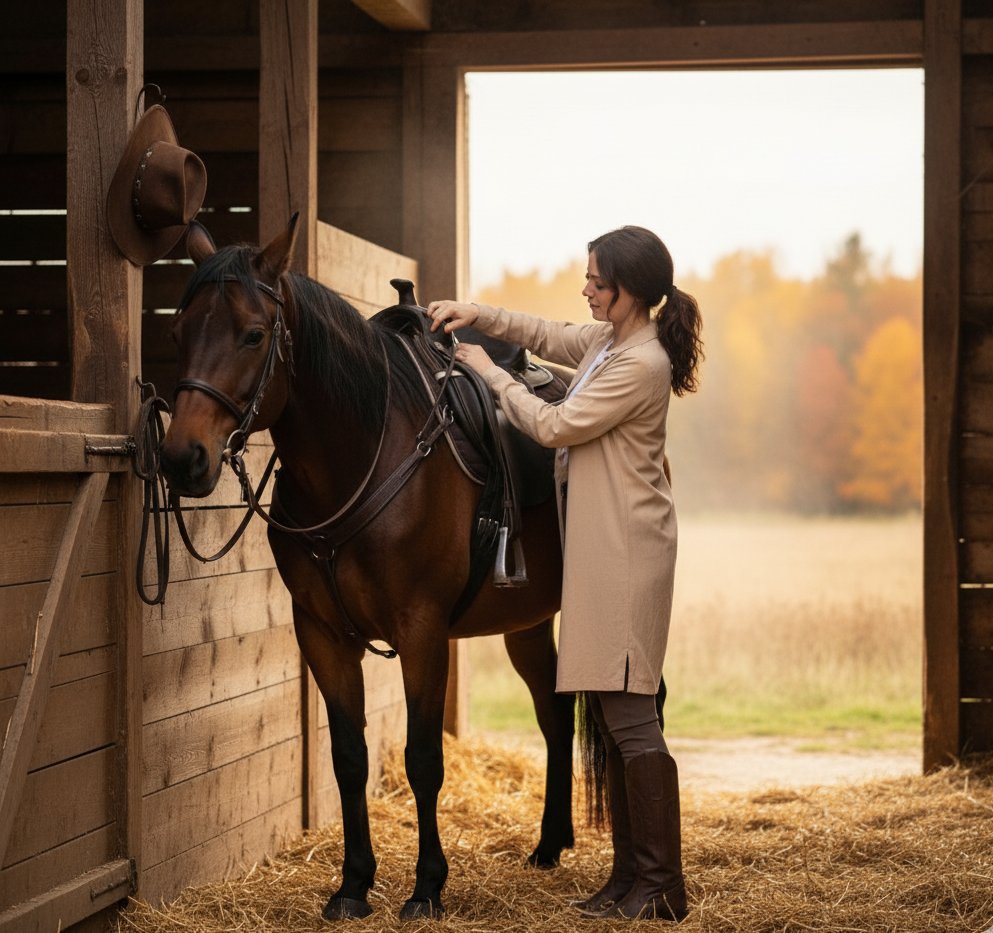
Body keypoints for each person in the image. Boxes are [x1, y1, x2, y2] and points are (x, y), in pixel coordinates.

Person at [428, 225, 702, 923]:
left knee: (633, 720)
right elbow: (545, 334)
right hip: (604, 547)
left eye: (595, 280)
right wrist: (478, 314)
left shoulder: (638, 363)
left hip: (626, 553)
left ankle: (662, 885)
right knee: (612, 720)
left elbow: (555, 425)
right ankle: (627, 879)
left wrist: (486, 372)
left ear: (629, 291)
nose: (583, 288)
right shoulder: (610, 342)